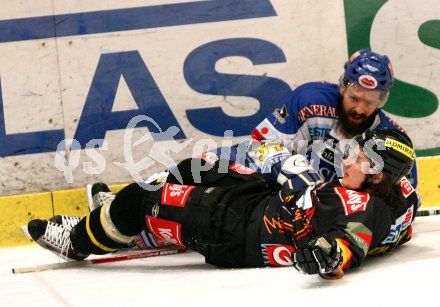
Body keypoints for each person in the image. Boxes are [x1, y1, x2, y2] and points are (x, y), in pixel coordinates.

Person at [26, 128, 418, 279]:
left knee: (143, 197)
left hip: (241, 231)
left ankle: (80, 240)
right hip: (265, 202)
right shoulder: (399, 198)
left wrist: (329, 253)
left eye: (361, 159)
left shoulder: (370, 208)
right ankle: (136, 228)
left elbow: (351, 241)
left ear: (380, 175)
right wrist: (287, 170)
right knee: (194, 167)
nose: (348, 160)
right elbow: (399, 216)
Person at [229, 49, 419, 189]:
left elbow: (403, 198)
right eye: (354, 98)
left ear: (380, 101)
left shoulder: (391, 141)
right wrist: (299, 179)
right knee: (215, 162)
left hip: (329, 214)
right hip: (281, 196)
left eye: (370, 102)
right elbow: (259, 146)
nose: (359, 109)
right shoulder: (309, 100)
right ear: (343, 87)